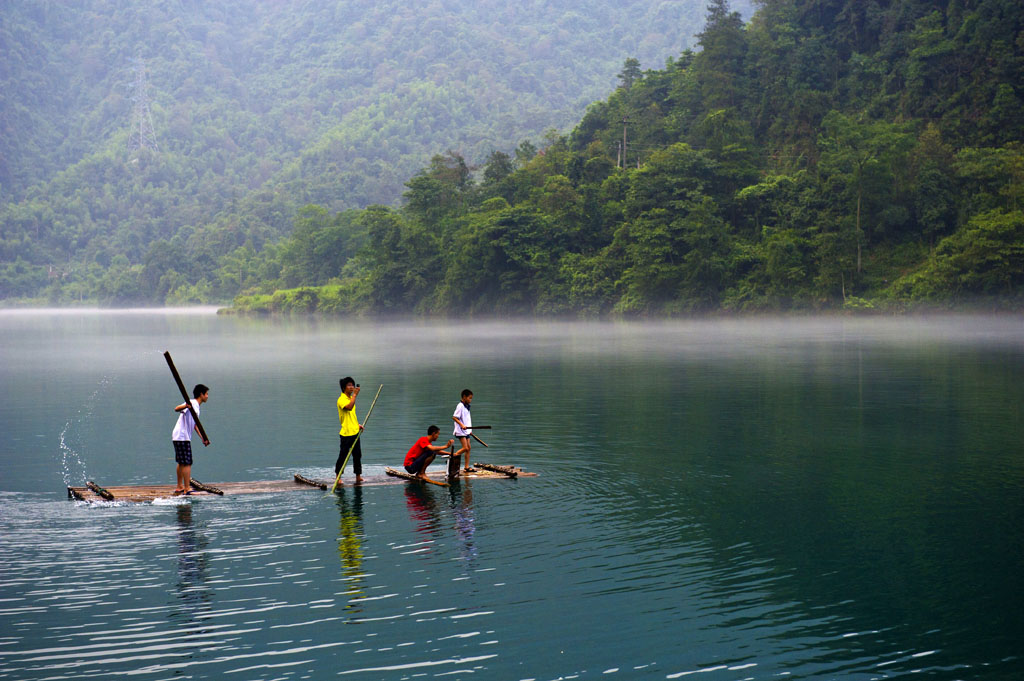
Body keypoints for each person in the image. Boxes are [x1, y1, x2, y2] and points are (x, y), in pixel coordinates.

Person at [172, 384, 210, 495]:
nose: (207, 396)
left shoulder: (197, 407)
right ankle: (187, 488)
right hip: (182, 436)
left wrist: (203, 438)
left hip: (179, 436)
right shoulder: (192, 403)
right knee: (187, 462)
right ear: (201, 394)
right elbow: (176, 408)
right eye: (206, 394)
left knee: (181, 462)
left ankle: (179, 486)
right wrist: (186, 406)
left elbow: (194, 425)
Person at [336, 377, 364, 483]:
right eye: (349, 385)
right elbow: (349, 408)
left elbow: (352, 415)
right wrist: (355, 395)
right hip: (346, 433)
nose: (352, 387)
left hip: (355, 432)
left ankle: (358, 476)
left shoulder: (351, 398)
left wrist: (358, 425)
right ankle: (338, 476)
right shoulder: (341, 399)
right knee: (343, 455)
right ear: (344, 387)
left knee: (357, 455)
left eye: (353, 384)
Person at [452, 389, 473, 472]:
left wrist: (469, 430)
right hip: (460, 431)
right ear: (464, 397)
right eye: (469, 398)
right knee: (465, 448)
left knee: (468, 448)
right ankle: (453, 457)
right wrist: (462, 425)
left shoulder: (466, 406)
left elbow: (466, 419)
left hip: (466, 431)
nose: (470, 400)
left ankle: (466, 467)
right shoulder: (460, 406)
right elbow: (454, 417)